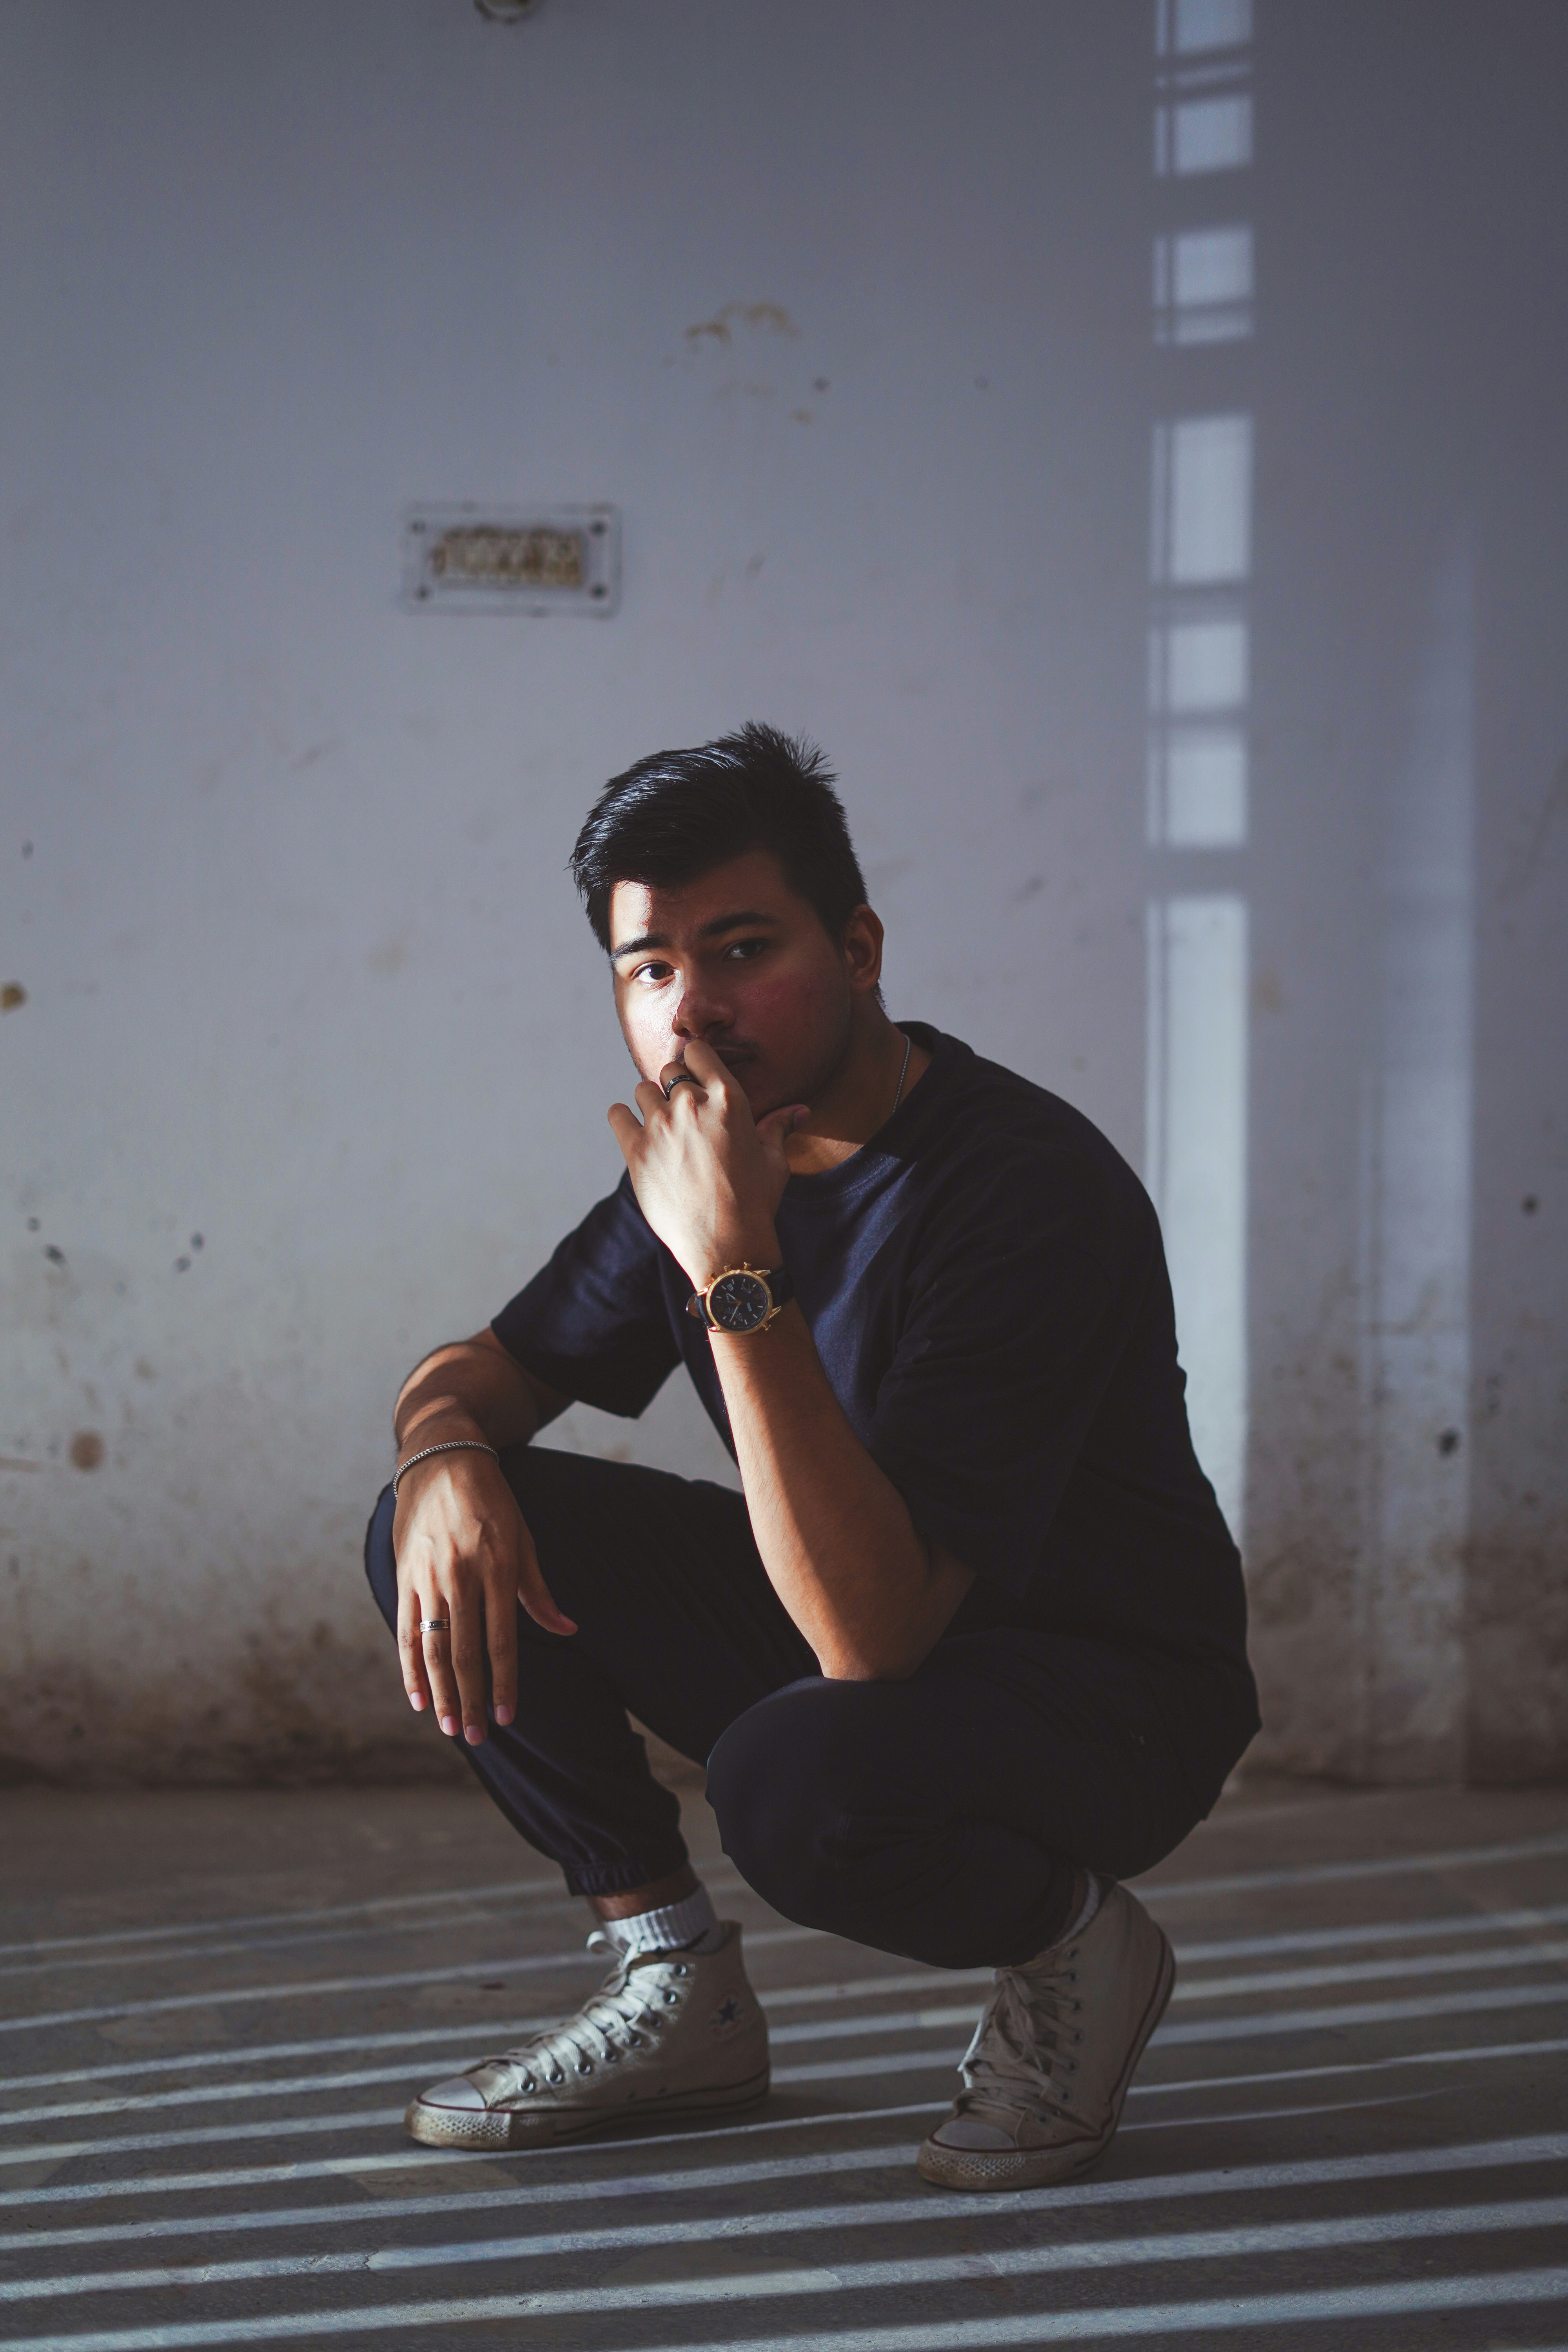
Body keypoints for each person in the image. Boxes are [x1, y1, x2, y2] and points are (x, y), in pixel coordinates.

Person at [364, 722, 1259, 2191]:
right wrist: (443, 1458)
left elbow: (871, 1635)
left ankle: (1074, 1945)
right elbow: (480, 1374)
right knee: (444, 1519)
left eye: (742, 950)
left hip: (1111, 1692)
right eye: (651, 970)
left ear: (858, 949)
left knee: (795, 1781)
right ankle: (678, 1986)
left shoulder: (1019, 1189)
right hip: (882, 1623)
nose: (695, 1012)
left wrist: (734, 1261)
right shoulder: (701, 1168)